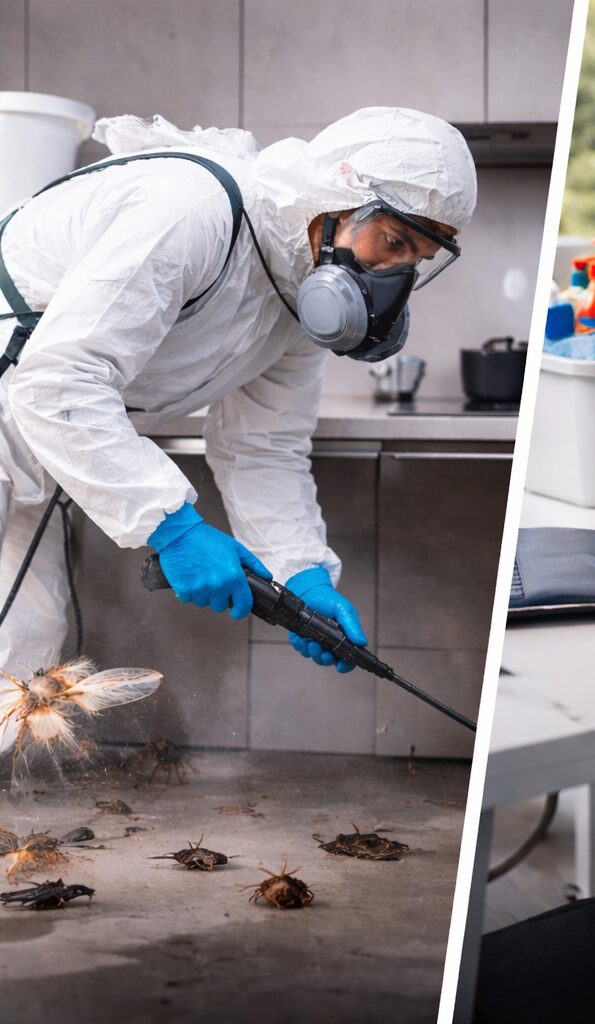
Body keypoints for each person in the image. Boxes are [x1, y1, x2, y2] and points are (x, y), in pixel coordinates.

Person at [0, 107, 475, 754]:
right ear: (337, 199)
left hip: (45, 445)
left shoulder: (295, 292)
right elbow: (57, 380)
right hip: (25, 407)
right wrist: (172, 526)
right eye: (391, 244)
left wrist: (302, 574)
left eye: (412, 262)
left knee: (24, 645)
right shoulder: (192, 213)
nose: (391, 279)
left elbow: (264, 449)